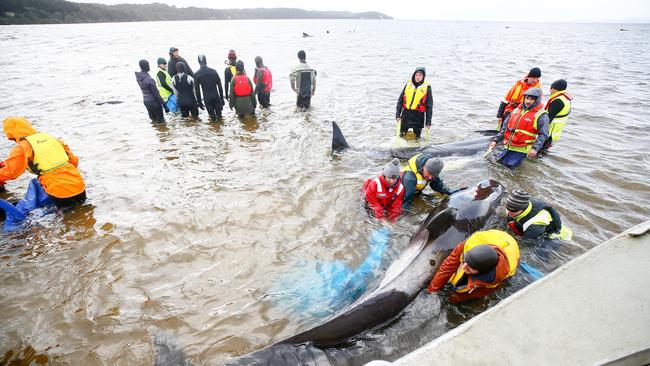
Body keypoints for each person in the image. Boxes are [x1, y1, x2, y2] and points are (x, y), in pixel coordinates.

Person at [0, 117, 87, 210]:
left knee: (69, 217)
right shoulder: (51, 138)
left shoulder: (23, 147)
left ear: (11, 133)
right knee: (85, 210)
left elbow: (11, 172)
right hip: (77, 183)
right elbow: (73, 160)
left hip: (58, 188)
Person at [426, 229, 520, 303]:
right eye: (465, 262)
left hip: (511, 249)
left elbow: (478, 292)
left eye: (470, 268)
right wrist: (432, 290)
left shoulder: (494, 278)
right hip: (494, 236)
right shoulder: (470, 244)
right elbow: (447, 266)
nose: (464, 266)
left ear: (482, 271)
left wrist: (454, 298)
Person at [489, 88, 549, 169]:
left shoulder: (541, 115)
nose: (528, 101)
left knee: (508, 169)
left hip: (521, 150)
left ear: (537, 100)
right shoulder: (516, 110)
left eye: (532, 99)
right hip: (507, 146)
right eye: (527, 98)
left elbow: (543, 134)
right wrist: (495, 140)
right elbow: (505, 128)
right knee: (497, 166)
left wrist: (535, 149)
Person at [504, 189, 572, 240]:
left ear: (523, 208)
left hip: (555, 237)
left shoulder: (535, 224)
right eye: (508, 208)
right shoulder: (517, 205)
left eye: (514, 210)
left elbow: (528, 243)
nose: (510, 212)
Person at [395, 67, 433, 139]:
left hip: (418, 116)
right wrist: (397, 115)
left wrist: (428, 122)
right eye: (416, 75)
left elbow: (429, 106)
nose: (418, 77)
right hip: (406, 114)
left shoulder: (427, 88)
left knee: (417, 138)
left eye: (420, 75)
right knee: (401, 136)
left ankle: (417, 149)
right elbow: (400, 101)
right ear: (414, 75)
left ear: (423, 77)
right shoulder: (408, 85)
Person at [541, 79, 573, 152]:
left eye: (550, 88)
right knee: (543, 152)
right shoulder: (565, 99)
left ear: (554, 89)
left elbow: (549, 118)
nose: (550, 91)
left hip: (549, 132)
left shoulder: (557, 101)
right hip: (556, 131)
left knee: (539, 151)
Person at [135, 59, 168, 123]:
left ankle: (157, 132)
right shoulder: (149, 80)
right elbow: (156, 94)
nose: (149, 66)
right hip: (154, 102)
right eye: (148, 65)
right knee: (161, 122)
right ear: (145, 66)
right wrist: (164, 105)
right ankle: (162, 132)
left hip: (146, 101)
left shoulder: (139, 77)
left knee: (153, 120)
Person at [194, 54, 224, 122]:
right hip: (216, 96)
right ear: (206, 61)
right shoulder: (214, 71)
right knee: (219, 118)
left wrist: (199, 102)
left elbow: (197, 90)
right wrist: (222, 98)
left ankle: (215, 130)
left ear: (198, 62)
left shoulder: (197, 74)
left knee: (212, 118)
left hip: (207, 98)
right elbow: (220, 86)